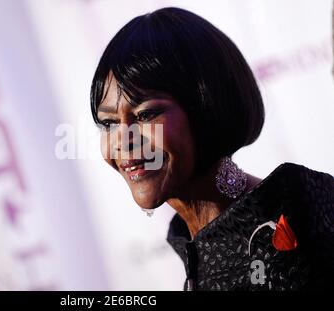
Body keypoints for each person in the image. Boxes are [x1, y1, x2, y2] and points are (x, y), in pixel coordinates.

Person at [90, 7, 334, 290]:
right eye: (108, 123)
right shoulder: (190, 242)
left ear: (206, 107)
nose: (122, 140)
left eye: (145, 114)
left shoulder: (298, 210)